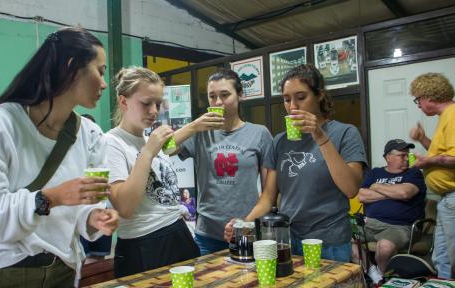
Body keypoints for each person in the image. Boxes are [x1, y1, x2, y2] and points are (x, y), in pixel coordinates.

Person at [0, 27, 119, 287]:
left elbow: (87, 204)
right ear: (72, 67)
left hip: (63, 268)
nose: (103, 83)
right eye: (99, 71)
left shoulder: (91, 134)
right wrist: (52, 197)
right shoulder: (3, 122)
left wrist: (93, 217)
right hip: (5, 270)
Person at [225, 64, 367, 262]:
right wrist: (244, 224)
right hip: (288, 240)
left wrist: (319, 135)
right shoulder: (280, 141)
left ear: (319, 96)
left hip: (329, 242)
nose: (293, 106)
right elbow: (268, 198)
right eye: (286, 99)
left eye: (301, 97)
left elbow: (351, 188)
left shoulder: (344, 133)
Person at [104, 67, 200, 278]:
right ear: (123, 101)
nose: (154, 111)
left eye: (157, 104)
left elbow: (170, 145)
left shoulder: (148, 140)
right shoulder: (111, 143)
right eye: (146, 103)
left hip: (178, 233)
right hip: (145, 244)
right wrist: (147, 153)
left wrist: (196, 126)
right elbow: (125, 207)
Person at [174, 68, 273, 255]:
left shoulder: (259, 134)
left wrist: (245, 225)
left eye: (225, 95)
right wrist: (194, 126)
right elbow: (164, 148)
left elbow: (269, 194)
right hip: (206, 236)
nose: (218, 102)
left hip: (247, 230)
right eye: (212, 96)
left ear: (240, 95)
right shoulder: (200, 133)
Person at [357, 139, 426, 283]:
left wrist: (376, 187)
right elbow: (362, 195)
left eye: (407, 154)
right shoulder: (375, 173)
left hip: (398, 226)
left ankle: (383, 277)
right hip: (369, 223)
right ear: (388, 157)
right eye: (402, 155)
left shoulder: (414, 173)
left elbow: (404, 193)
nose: (407, 158)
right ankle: (372, 273)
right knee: (344, 236)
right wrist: (391, 192)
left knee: (385, 247)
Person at [409, 73, 455, 279]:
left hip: (453, 196)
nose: (418, 104)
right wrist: (423, 139)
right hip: (446, 199)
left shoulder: (453, 115)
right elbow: (443, 152)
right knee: (442, 256)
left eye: (418, 99)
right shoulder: (444, 117)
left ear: (430, 96)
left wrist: (427, 162)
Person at [79, 113, 114, 264]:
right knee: (84, 259)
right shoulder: (72, 156)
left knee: (99, 259)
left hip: (101, 209)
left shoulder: (104, 150)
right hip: (81, 214)